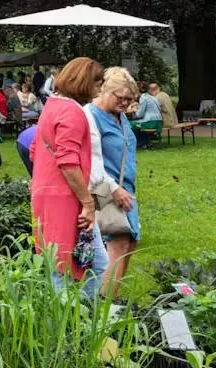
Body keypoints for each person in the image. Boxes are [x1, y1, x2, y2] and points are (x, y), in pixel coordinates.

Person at [30, 57, 104, 283]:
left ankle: (86, 306)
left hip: (46, 193)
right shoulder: (72, 112)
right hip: (65, 198)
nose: (100, 88)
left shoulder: (51, 105)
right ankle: (80, 307)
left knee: (85, 264)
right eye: (97, 82)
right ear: (83, 82)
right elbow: (68, 162)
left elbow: (33, 149)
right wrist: (88, 203)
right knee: (66, 269)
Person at [86, 68, 139, 298]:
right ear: (105, 90)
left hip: (126, 189)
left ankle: (112, 298)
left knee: (129, 244)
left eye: (130, 99)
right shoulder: (91, 115)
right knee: (118, 242)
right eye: (121, 97)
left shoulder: (121, 116)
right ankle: (103, 303)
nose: (125, 103)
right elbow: (91, 159)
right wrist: (113, 187)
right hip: (105, 190)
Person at [129, 82, 162, 146]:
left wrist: (134, 111)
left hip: (152, 122)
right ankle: (146, 142)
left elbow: (139, 115)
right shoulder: (152, 97)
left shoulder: (143, 98)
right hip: (158, 122)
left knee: (130, 124)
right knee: (138, 123)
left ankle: (140, 142)